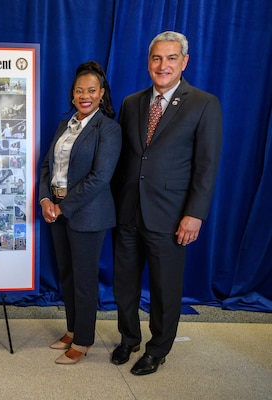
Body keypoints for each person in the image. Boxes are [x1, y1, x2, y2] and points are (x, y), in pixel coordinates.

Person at [111, 31, 222, 375]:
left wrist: (194, 214)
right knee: (124, 284)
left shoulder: (204, 104)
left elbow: (207, 165)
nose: (163, 65)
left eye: (171, 58)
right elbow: (126, 160)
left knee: (164, 289)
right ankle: (129, 338)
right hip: (128, 211)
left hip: (172, 216)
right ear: (149, 62)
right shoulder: (132, 103)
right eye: (157, 58)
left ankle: (158, 349)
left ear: (184, 62)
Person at [38, 61, 121, 364]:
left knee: (84, 279)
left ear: (101, 94)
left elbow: (100, 177)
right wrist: (46, 200)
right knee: (67, 275)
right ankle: (73, 329)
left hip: (87, 214)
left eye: (91, 90)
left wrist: (63, 206)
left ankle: (84, 341)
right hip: (57, 211)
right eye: (79, 90)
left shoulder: (108, 129)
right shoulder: (65, 125)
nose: (84, 95)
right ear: (72, 95)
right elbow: (47, 166)